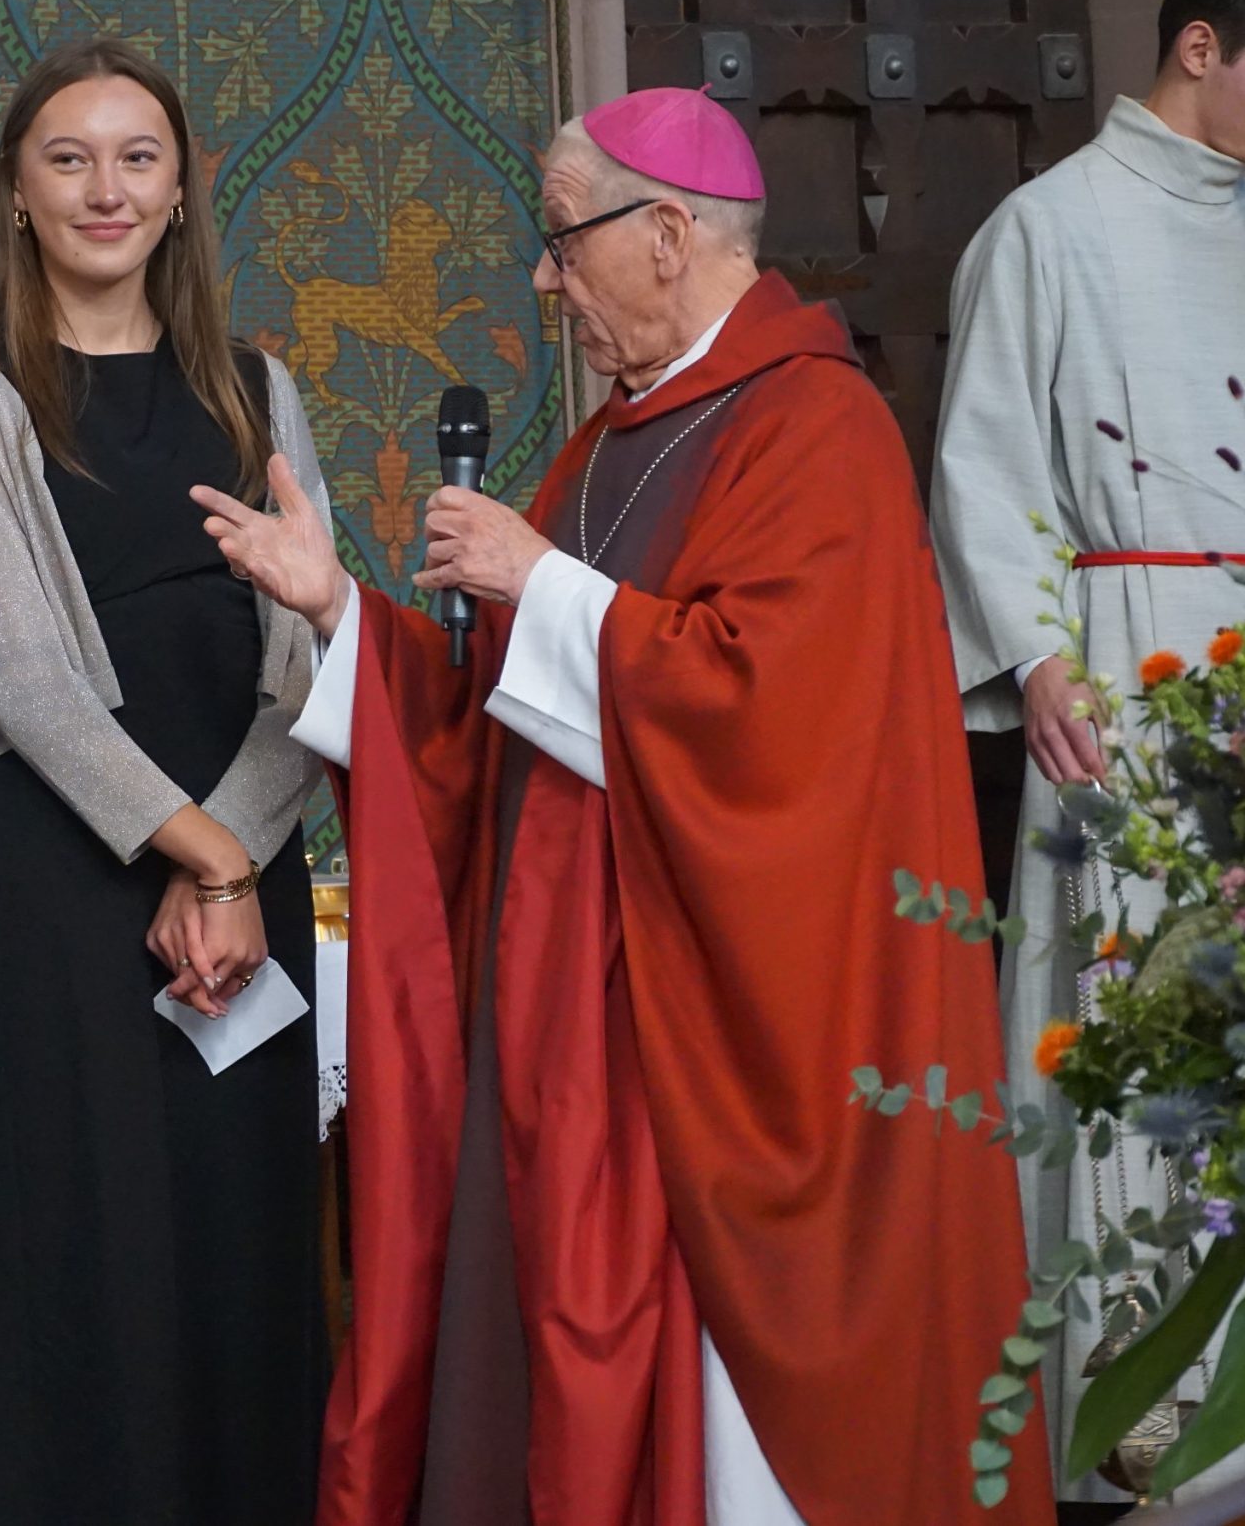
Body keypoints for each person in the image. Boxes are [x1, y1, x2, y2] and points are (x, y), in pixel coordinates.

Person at [198, 90, 1052, 1525]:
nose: (546, 282)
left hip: (733, 1026)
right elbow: (491, 737)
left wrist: (539, 582)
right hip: (582, 1024)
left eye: (560, 241)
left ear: (665, 233)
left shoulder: (818, 425)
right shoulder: (608, 445)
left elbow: (773, 721)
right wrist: (338, 607)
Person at [932, 0, 1245, 1500]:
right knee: (1141, 1042)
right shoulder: (1048, 227)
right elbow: (983, 464)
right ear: (1200, 48)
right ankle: (1137, 1427)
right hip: (1126, 669)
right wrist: (1038, 658)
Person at [0, 37, 330, 1526]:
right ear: (18, 194)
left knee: (244, 1247)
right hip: (68, 879)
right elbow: (23, 678)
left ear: (181, 188)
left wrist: (233, 861)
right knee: (84, 1258)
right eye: (69, 159)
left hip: (249, 874)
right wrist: (200, 857)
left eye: (138, 157)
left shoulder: (262, 389)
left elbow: (306, 662)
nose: (108, 189)